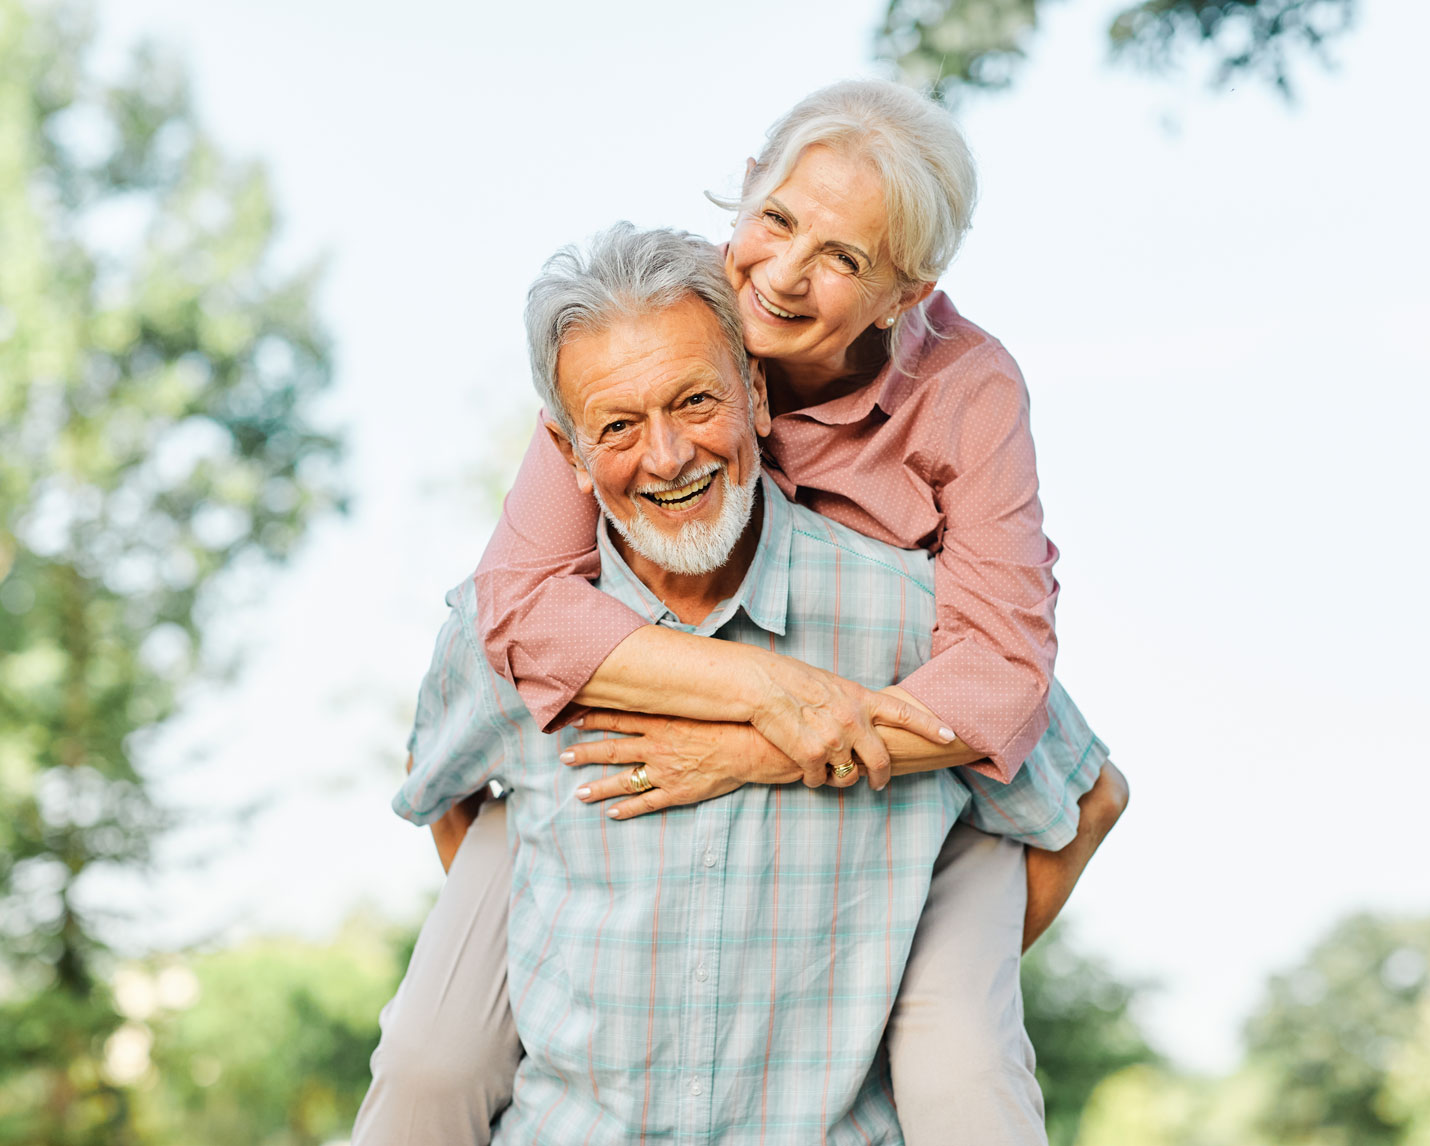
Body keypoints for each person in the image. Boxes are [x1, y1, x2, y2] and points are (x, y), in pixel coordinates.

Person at [358, 224, 1088, 1144]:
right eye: (617, 427)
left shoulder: (913, 622)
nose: (666, 458)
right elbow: (445, 792)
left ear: (755, 394)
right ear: (570, 453)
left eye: (695, 401)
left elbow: (1078, 808)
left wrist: (905, 1011)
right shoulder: (504, 641)